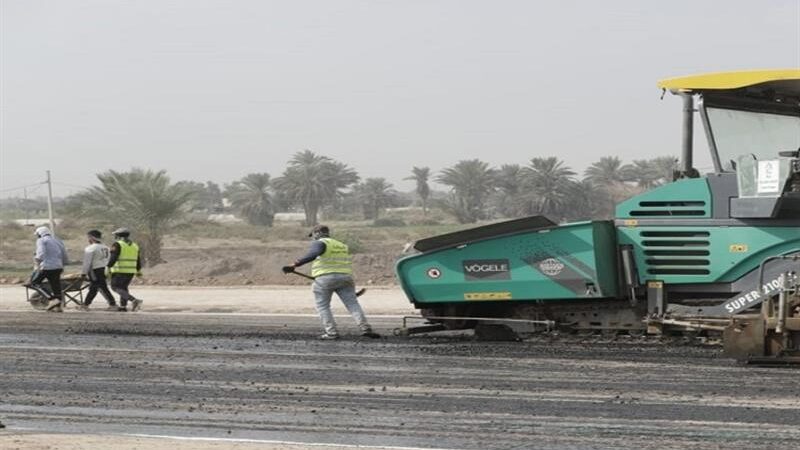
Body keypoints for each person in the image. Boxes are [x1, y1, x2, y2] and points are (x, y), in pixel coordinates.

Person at [284, 224, 379, 340]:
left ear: (317, 233)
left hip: (325, 278)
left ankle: (331, 332)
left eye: (313, 235)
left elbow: (313, 254)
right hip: (345, 277)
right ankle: (366, 328)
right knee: (352, 304)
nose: (312, 238)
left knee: (323, 306)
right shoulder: (341, 245)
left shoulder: (320, 243)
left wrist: (294, 264)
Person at [28, 226, 68, 312]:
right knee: (55, 286)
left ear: (39, 234)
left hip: (47, 266)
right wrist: (63, 264)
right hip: (58, 267)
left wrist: (37, 261)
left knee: (34, 283)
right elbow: (64, 254)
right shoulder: (57, 240)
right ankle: (58, 307)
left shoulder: (41, 240)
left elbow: (41, 252)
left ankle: (52, 299)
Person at [80, 229, 118, 311]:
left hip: (95, 270)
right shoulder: (106, 247)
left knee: (96, 287)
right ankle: (86, 304)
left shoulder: (90, 248)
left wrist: (83, 273)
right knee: (98, 287)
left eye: (88, 237)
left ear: (92, 238)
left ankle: (112, 304)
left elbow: (87, 262)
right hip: (104, 269)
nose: (88, 240)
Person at [107, 227, 143, 312]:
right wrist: (138, 270)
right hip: (130, 271)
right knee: (123, 288)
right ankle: (123, 306)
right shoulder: (135, 245)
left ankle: (134, 300)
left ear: (118, 235)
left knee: (115, 287)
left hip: (119, 270)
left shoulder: (117, 244)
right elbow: (138, 259)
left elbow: (113, 257)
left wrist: (108, 267)